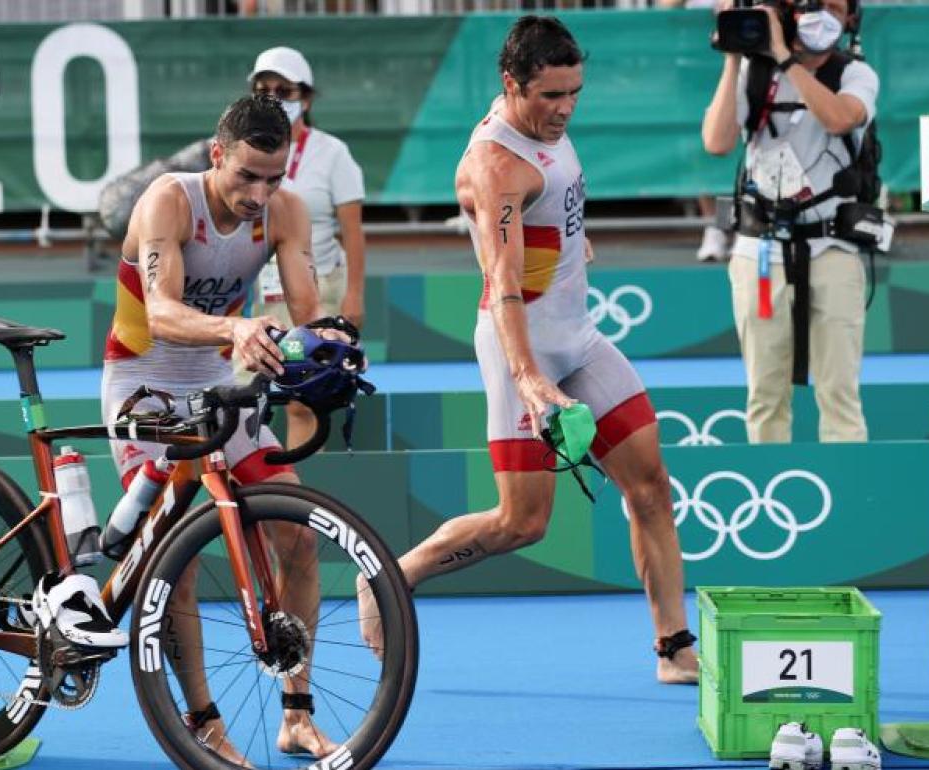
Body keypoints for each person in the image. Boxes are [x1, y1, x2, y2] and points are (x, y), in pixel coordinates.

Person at [356, 15, 699, 685]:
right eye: (549, 96)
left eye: (575, 92)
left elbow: (556, 205)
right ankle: (391, 576)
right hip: (524, 348)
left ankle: (673, 647)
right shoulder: (494, 168)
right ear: (512, 85)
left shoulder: (543, 127)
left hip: (578, 334)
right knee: (523, 523)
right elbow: (504, 283)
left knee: (651, 487)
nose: (565, 108)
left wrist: (574, 244)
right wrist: (530, 378)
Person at [101, 94, 336, 761]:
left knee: (296, 536)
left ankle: (297, 713)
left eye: (274, 177)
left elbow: (306, 315)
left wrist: (330, 347)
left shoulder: (285, 212)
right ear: (216, 156)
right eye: (247, 177)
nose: (260, 194)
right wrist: (237, 327)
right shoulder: (168, 202)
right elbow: (165, 312)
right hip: (143, 382)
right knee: (173, 560)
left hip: (219, 385)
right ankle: (204, 721)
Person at [701, 0, 876, 443]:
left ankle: (846, 489)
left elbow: (840, 118)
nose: (818, 14)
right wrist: (733, 57)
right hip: (759, 250)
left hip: (833, 247)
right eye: (807, 4)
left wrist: (786, 58)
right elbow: (717, 142)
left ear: (850, 19)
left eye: (832, 6)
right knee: (765, 395)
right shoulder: (754, 74)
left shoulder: (855, 74)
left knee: (840, 394)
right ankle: (769, 489)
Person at [247, 47, 367, 449]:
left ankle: (295, 497)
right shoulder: (241, 152)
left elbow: (353, 231)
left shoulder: (333, 153)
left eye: (285, 90)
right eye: (263, 90)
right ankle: (252, 498)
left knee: (302, 399)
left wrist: (354, 295)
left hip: (321, 288)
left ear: (306, 97)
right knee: (246, 393)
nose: (274, 98)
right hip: (265, 289)